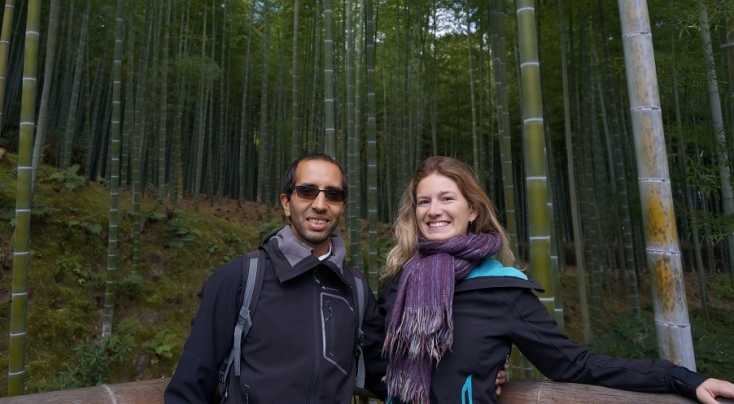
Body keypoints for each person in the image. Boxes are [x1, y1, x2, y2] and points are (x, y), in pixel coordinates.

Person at [378, 156, 734, 404]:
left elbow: (574, 363)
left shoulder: (503, 289)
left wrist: (681, 378)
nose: (434, 210)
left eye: (446, 198)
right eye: (423, 201)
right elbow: (370, 357)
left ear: (472, 210)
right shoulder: (400, 283)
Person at [164, 153, 388, 403]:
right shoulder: (242, 277)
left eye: (333, 195)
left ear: (343, 207)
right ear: (286, 203)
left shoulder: (355, 289)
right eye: (307, 191)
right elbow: (189, 386)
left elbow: (388, 375)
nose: (320, 204)